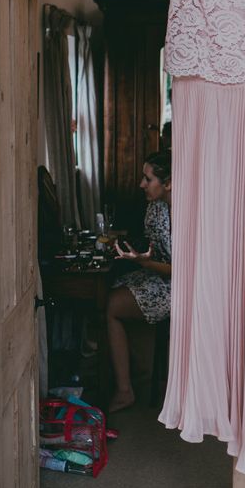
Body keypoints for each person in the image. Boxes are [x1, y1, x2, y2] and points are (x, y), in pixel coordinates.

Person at [107, 150, 171, 413]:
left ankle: (125, 390)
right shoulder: (155, 208)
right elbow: (157, 249)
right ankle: (141, 370)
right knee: (113, 286)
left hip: (187, 287)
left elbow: (189, 271)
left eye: (148, 179)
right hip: (162, 274)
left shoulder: (193, 212)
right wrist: (140, 254)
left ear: (167, 183)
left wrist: (144, 262)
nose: (142, 184)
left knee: (113, 306)